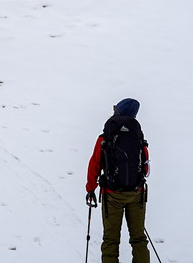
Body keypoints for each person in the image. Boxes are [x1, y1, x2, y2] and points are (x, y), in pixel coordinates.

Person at [85, 98, 150, 263]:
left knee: (111, 240)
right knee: (139, 239)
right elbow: (146, 168)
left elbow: (94, 164)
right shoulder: (137, 135)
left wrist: (91, 188)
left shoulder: (105, 137)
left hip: (111, 194)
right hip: (136, 194)